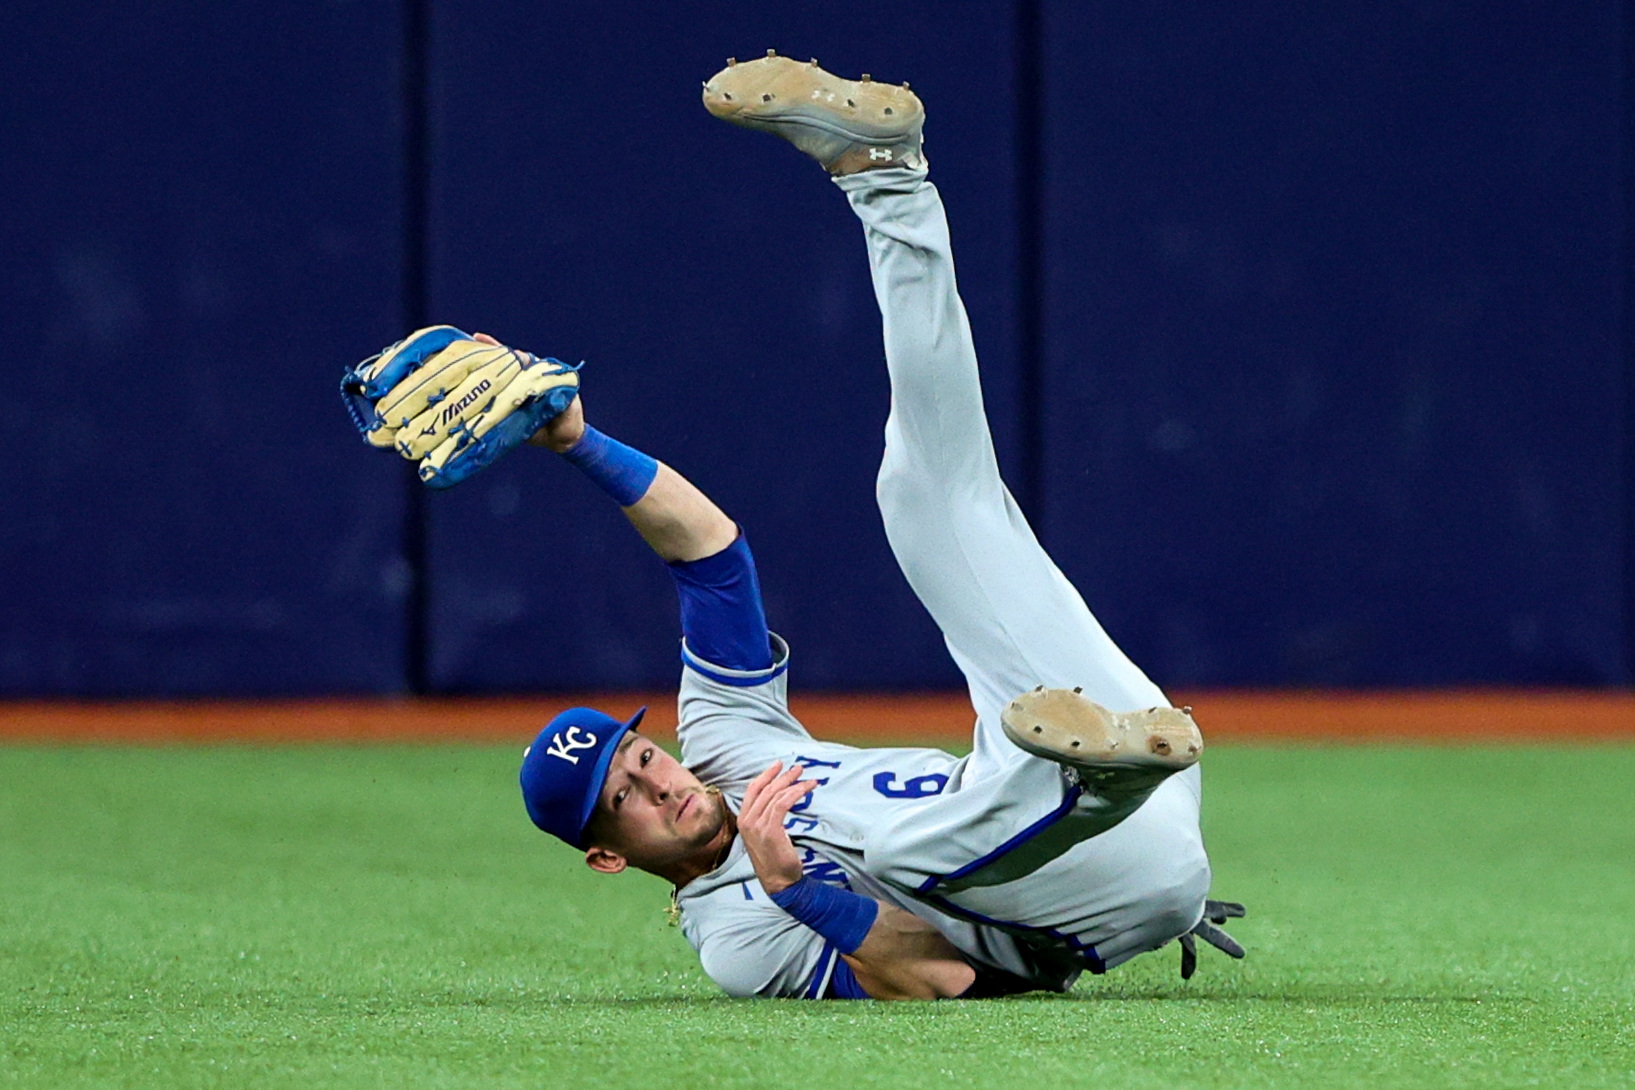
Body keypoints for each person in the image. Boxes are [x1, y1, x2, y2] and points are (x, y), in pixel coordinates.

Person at [514, 53, 1244, 1000]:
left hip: (1137, 765)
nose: (662, 785)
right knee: (884, 841)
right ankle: (1081, 790)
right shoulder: (738, 936)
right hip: (1081, 896)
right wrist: (795, 888)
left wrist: (577, 441)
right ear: (609, 857)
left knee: (929, 496)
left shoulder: (731, 744)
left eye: (643, 757)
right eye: (627, 802)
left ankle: (885, 179)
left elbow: (709, 556)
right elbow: (942, 980)